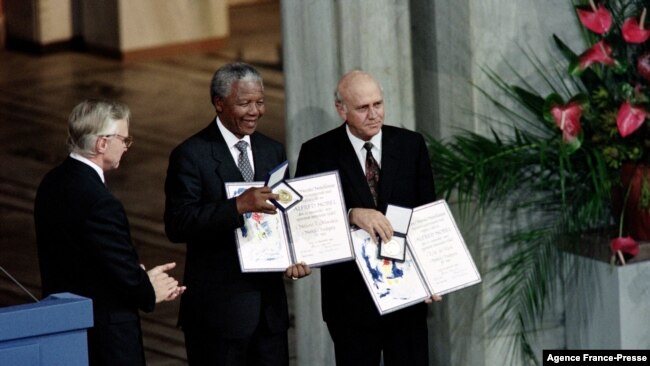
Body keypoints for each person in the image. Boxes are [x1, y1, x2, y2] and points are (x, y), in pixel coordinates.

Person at [164, 62, 311, 366]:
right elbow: (178, 224)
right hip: (218, 317)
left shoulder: (273, 150)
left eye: (260, 101)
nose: (255, 111)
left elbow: (282, 216)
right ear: (219, 104)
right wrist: (236, 207)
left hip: (270, 316)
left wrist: (292, 255)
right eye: (244, 103)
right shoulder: (191, 155)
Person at [295, 70, 442, 366]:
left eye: (378, 104)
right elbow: (304, 220)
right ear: (342, 110)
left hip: (407, 296)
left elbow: (426, 213)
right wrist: (351, 214)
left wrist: (432, 274)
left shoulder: (410, 144)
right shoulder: (317, 152)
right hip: (350, 300)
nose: (374, 114)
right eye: (363, 108)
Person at [34, 99, 186, 366]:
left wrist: (136, 276)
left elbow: (84, 260)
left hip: (63, 327)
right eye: (124, 140)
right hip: (106, 338)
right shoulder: (100, 202)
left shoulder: (51, 182)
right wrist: (147, 288)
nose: (126, 148)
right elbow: (118, 267)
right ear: (102, 143)